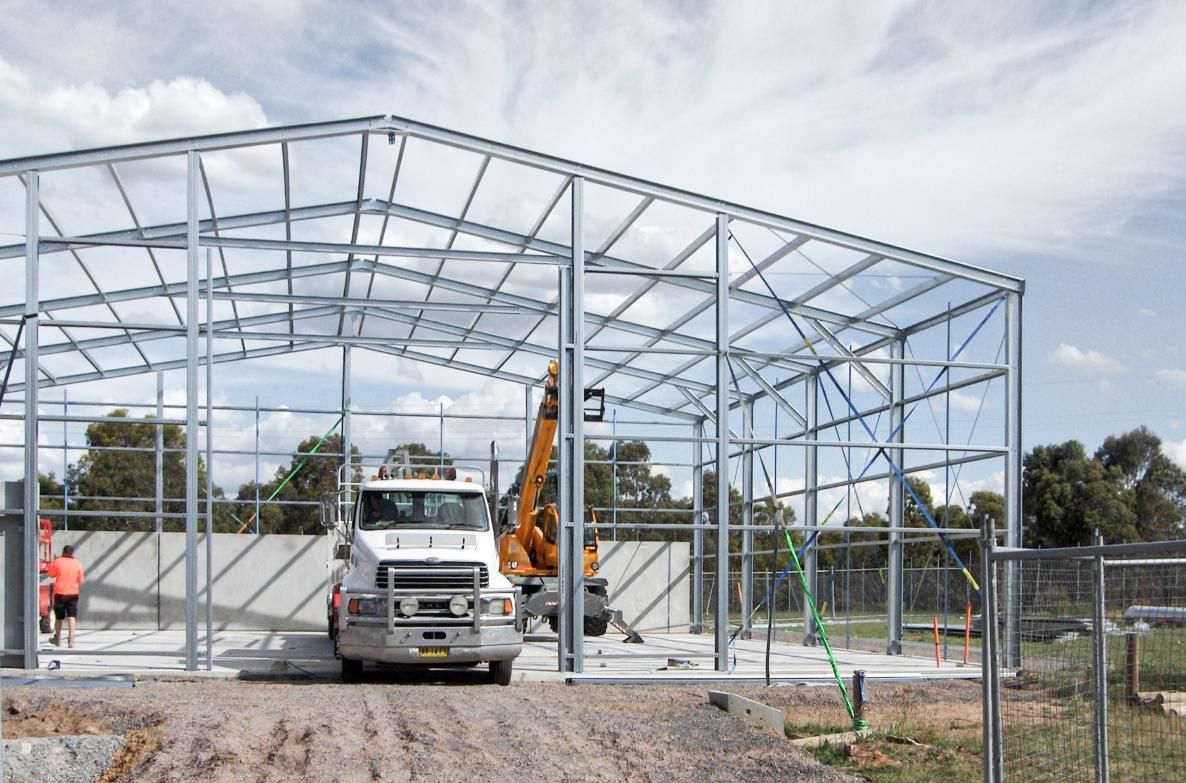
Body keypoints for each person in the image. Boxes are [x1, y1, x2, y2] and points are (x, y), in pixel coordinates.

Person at [47, 544, 85, 648]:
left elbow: (50, 574)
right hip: (73, 593)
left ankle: (58, 638)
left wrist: (53, 563)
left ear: (63, 552)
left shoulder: (58, 562)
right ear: (72, 553)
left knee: (59, 617)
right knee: (71, 617)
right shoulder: (77, 563)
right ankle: (71, 639)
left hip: (59, 593)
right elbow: (81, 580)